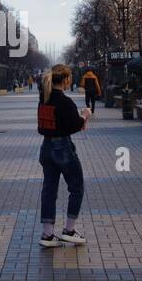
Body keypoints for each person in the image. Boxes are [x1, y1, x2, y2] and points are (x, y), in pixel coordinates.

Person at [37, 63, 89, 247]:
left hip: (46, 148)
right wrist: (84, 115)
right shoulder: (65, 102)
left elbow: (45, 125)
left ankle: (48, 234)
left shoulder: (44, 99)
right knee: (76, 187)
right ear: (66, 80)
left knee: (49, 190)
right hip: (63, 148)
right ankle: (69, 229)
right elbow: (74, 125)